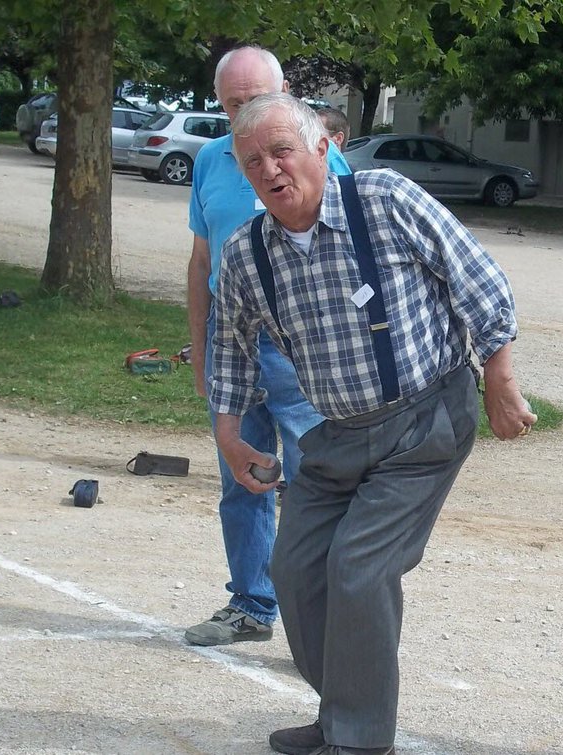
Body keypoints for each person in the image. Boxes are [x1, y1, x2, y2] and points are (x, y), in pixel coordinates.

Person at [210, 92, 535, 755]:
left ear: (323, 148)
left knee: (358, 567)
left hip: (425, 423)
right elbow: (230, 343)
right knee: (297, 571)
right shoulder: (249, 253)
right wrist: (228, 430)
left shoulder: (386, 201)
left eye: (282, 151)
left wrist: (500, 378)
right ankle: (343, 711)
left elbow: (482, 282)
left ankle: (359, 739)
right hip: (337, 435)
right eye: (253, 161)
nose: (270, 170)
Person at [184, 46, 352, 647]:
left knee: (316, 483)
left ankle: (326, 621)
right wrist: (201, 351)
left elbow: (348, 256)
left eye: (256, 99)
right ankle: (251, 604)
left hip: (301, 353)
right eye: (233, 104)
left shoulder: (314, 155)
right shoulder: (209, 160)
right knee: (243, 476)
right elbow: (202, 260)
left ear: (284, 95)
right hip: (235, 346)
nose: (244, 112)